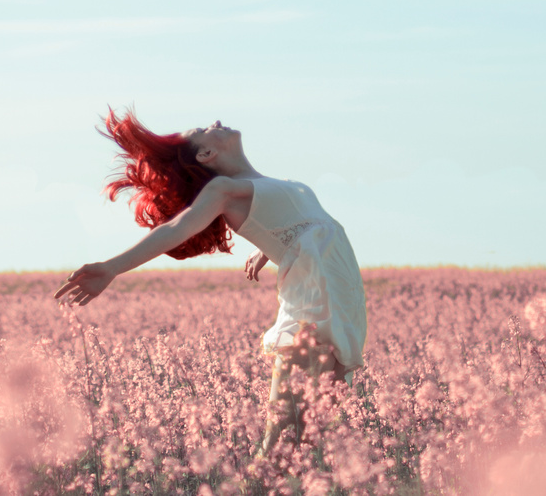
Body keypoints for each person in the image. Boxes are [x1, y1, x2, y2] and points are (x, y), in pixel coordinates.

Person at [53, 109, 368, 454]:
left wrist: (269, 250)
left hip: (344, 304)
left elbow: (305, 230)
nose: (215, 122)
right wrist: (113, 267)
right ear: (206, 155)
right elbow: (178, 227)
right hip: (315, 307)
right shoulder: (224, 190)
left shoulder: (272, 185)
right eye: (205, 129)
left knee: (311, 442)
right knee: (283, 445)